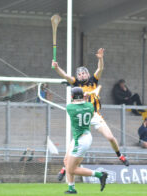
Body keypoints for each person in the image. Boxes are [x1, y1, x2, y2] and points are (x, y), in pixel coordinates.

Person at [52, 48, 129, 181]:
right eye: (80, 74)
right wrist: (57, 68)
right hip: (81, 115)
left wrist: (100, 58)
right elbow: (64, 75)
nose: (82, 75)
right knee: (75, 143)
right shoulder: (75, 83)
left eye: (84, 73)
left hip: (94, 114)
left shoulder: (94, 80)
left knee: (110, 137)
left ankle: (120, 155)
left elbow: (100, 69)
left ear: (87, 74)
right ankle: (65, 168)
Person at [64, 87, 108, 194]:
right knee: (66, 161)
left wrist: (83, 97)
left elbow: (75, 104)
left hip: (80, 140)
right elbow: (86, 108)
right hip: (85, 137)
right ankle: (71, 188)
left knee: (71, 169)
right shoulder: (89, 106)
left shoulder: (69, 107)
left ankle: (100, 175)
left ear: (72, 96)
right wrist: (86, 97)